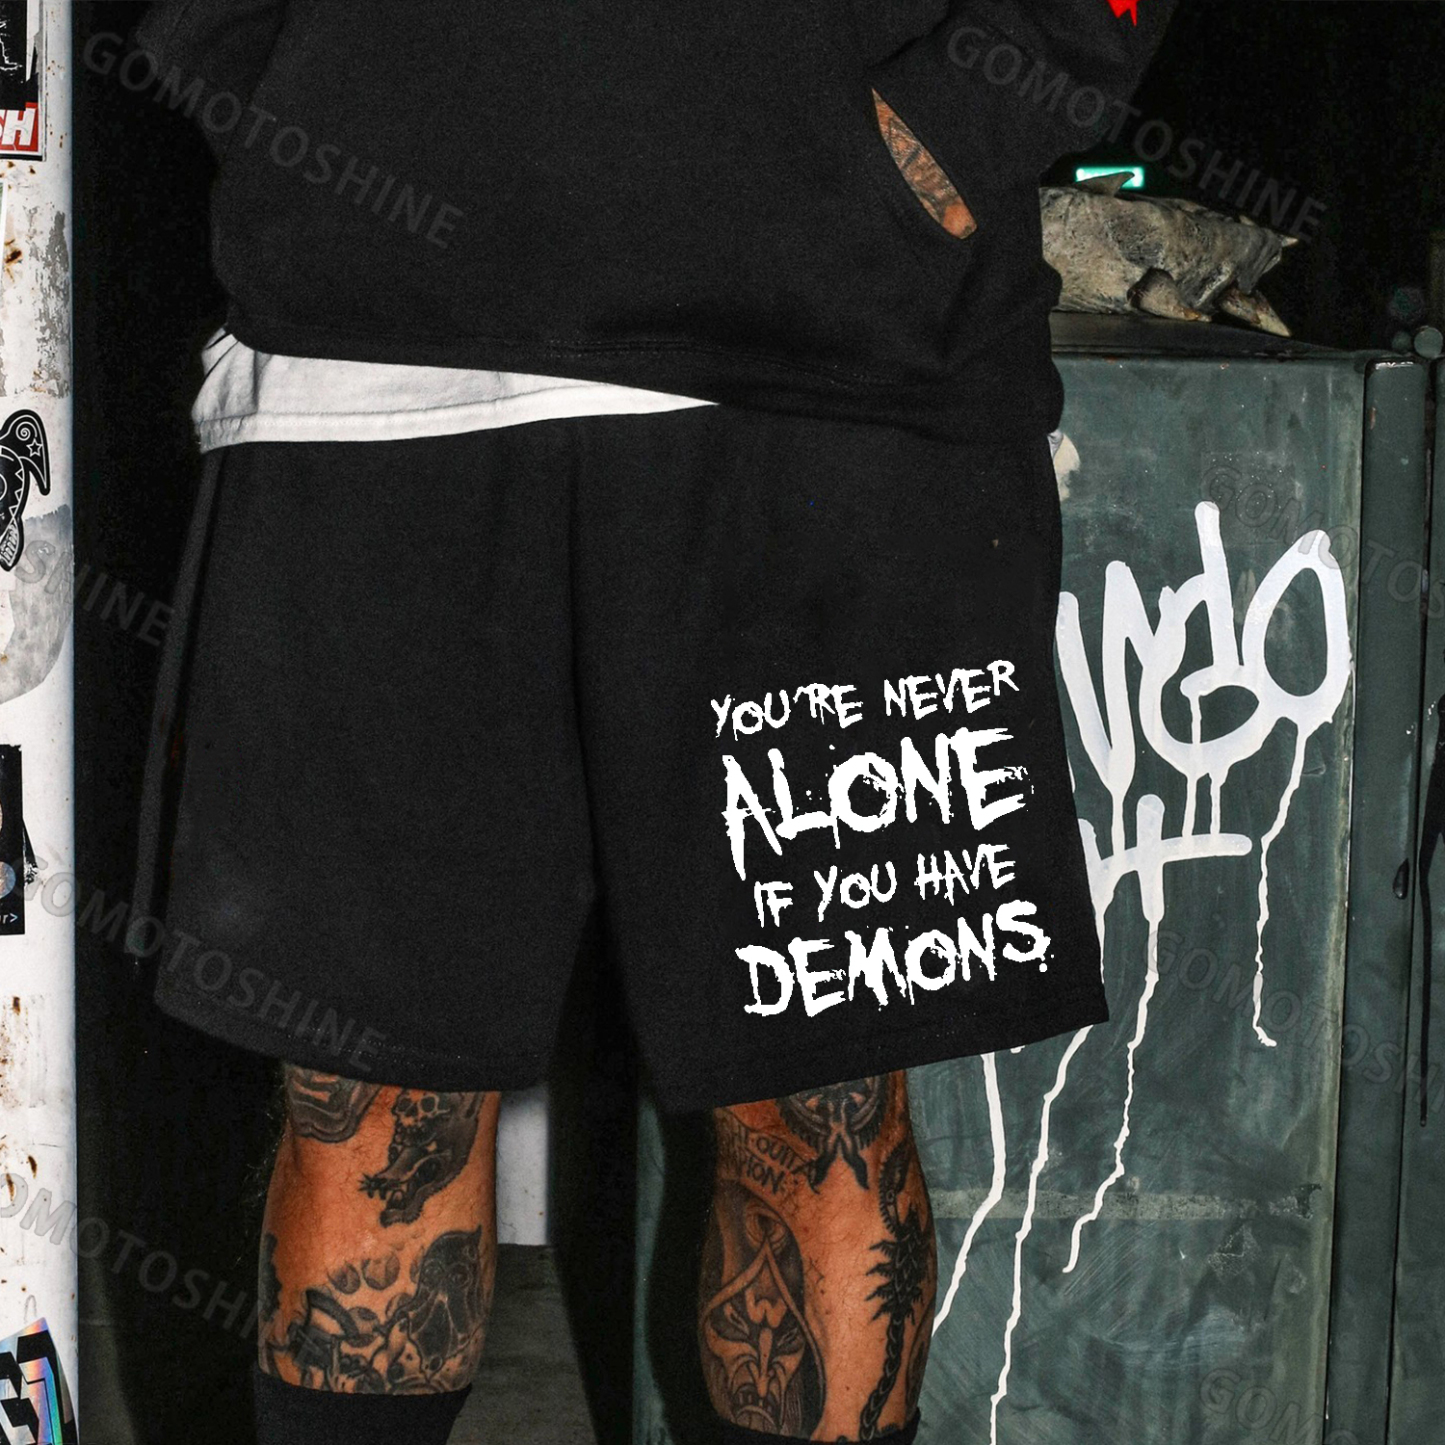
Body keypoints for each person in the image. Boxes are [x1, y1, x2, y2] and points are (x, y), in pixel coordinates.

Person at [123, 1, 1178, 1441]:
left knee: (816, 1105)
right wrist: (283, 76)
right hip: (371, 354)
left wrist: (964, 113)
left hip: (834, 362)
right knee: (367, 1101)